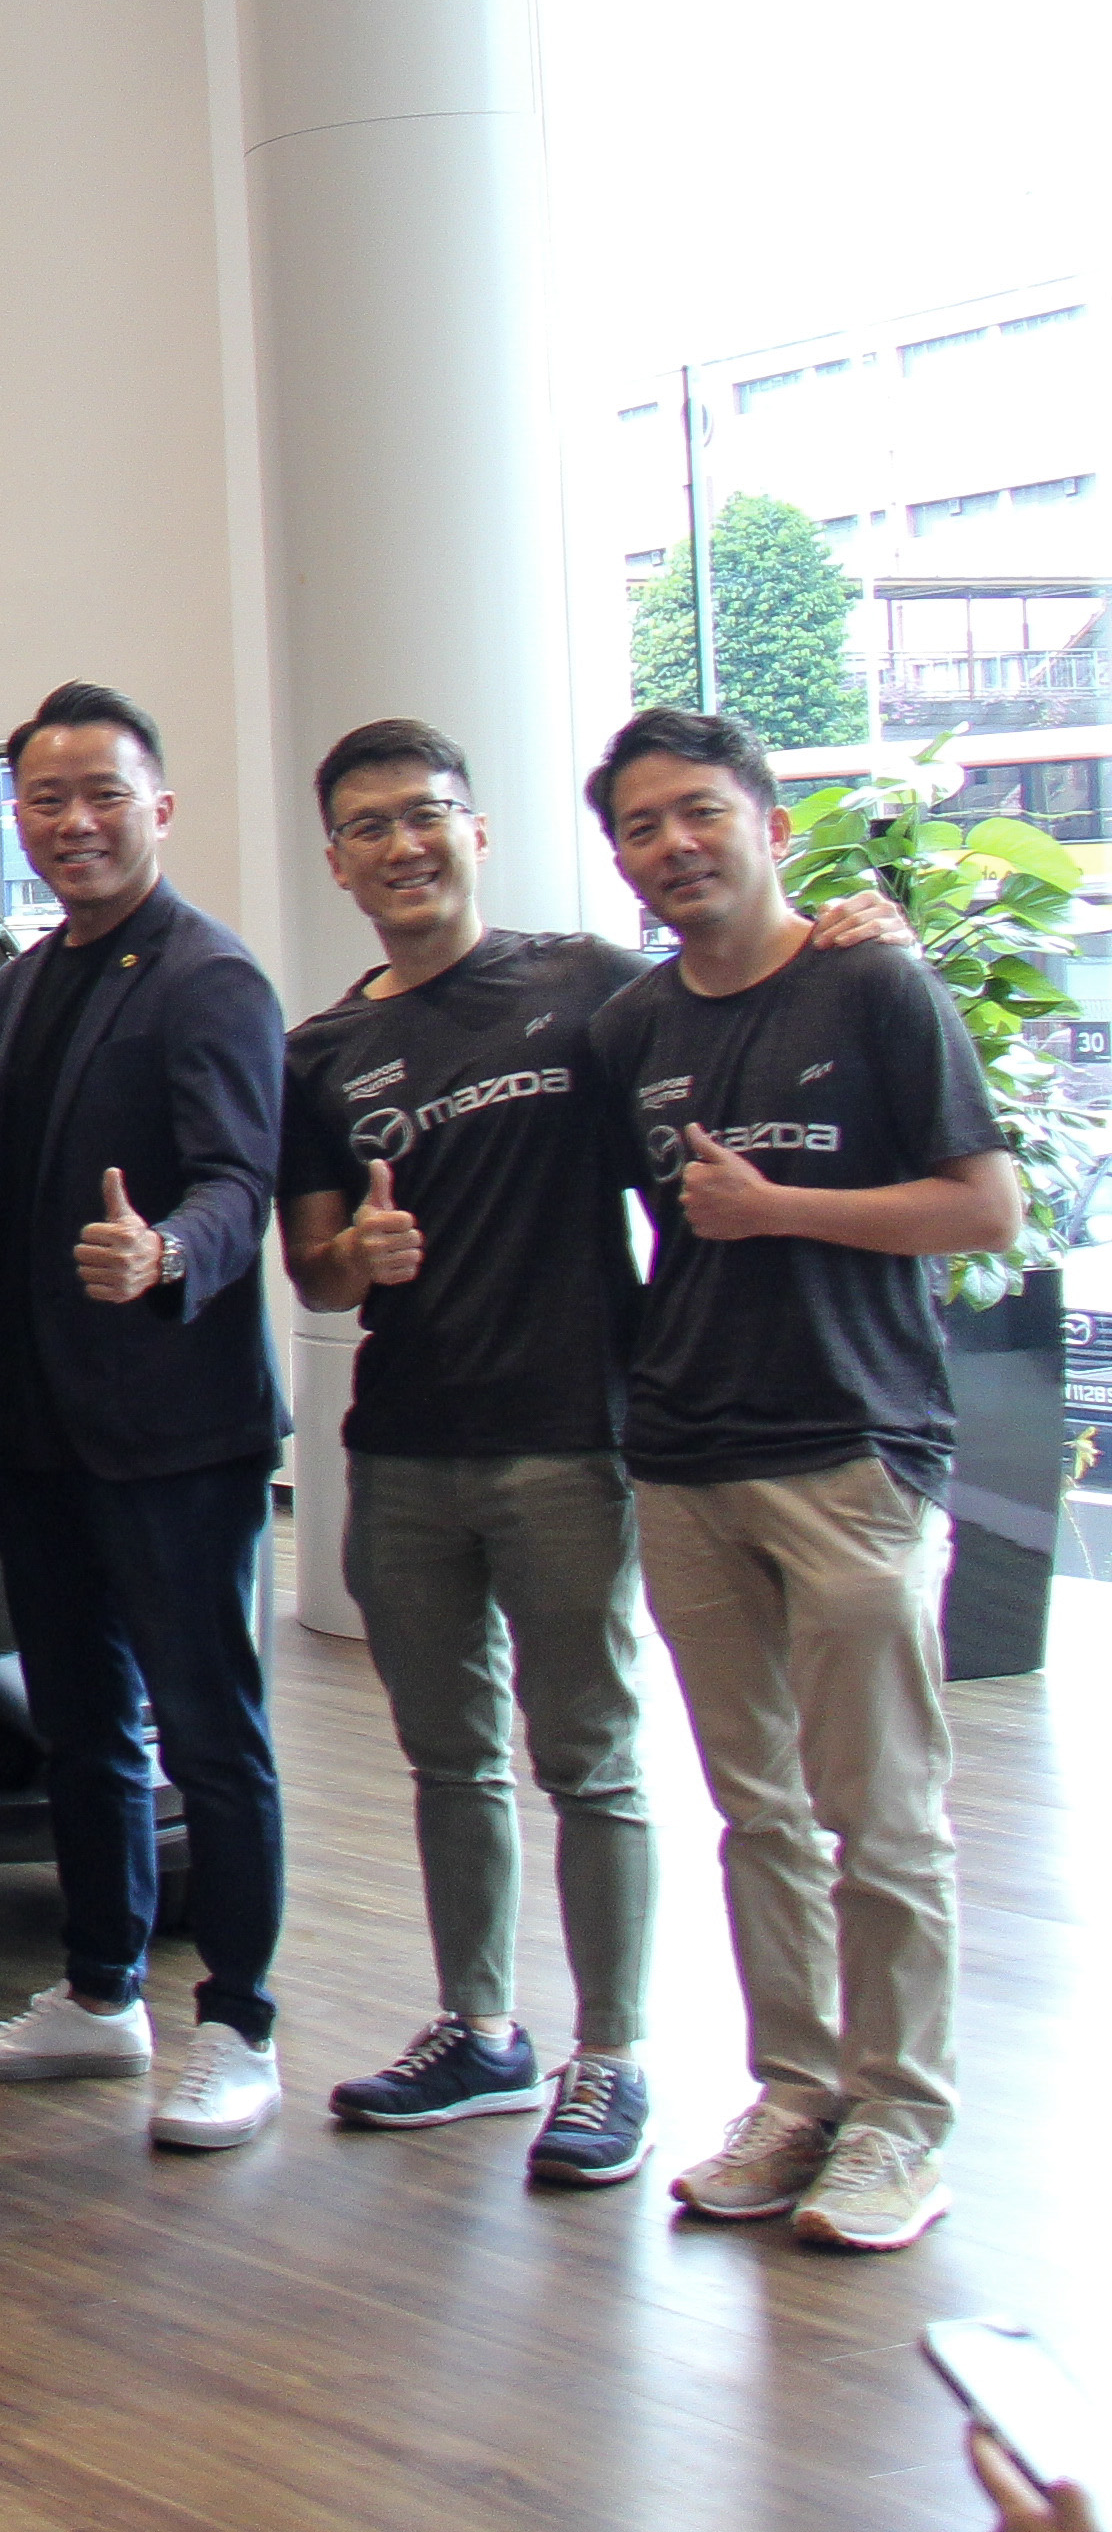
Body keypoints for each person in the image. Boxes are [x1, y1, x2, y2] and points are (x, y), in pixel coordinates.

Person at [276, 714, 811, 2193]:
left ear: (476, 830)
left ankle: (615, 2054)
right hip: (404, 1449)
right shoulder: (320, 1051)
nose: (404, 846)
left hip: (573, 1435)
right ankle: (479, 2028)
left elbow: (731, 1003)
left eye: (427, 815)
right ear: (338, 862)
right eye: (371, 827)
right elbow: (312, 1264)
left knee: (590, 1757)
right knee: (447, 1758)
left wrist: (840, 933)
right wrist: (357, 1253)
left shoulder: (588, 988)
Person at [585, 704, 1020, 2257]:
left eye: (699, 811)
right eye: (640, 827)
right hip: (689, 1457)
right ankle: (798, 2094)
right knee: (755, 1809)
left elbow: (986, 1212)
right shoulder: (637, 1027)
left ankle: (903, 2119)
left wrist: (785, 1212)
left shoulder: (874, 982)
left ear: (770, 820)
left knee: (880, 1814)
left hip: (850, 1453)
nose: (673, 846)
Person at [0, 681, 293, 2150]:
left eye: (102, 794)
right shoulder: (21, 982)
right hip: (38, 1436)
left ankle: (246, 2023)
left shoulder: (210, 977)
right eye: (45, 800)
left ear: (161, 805)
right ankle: (98, 1992)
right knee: (86, 1729)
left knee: (213, 1736)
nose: (73, 823)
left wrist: (169, 1259)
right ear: (17, 819)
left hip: (178, 1432)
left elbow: (237, 1184)